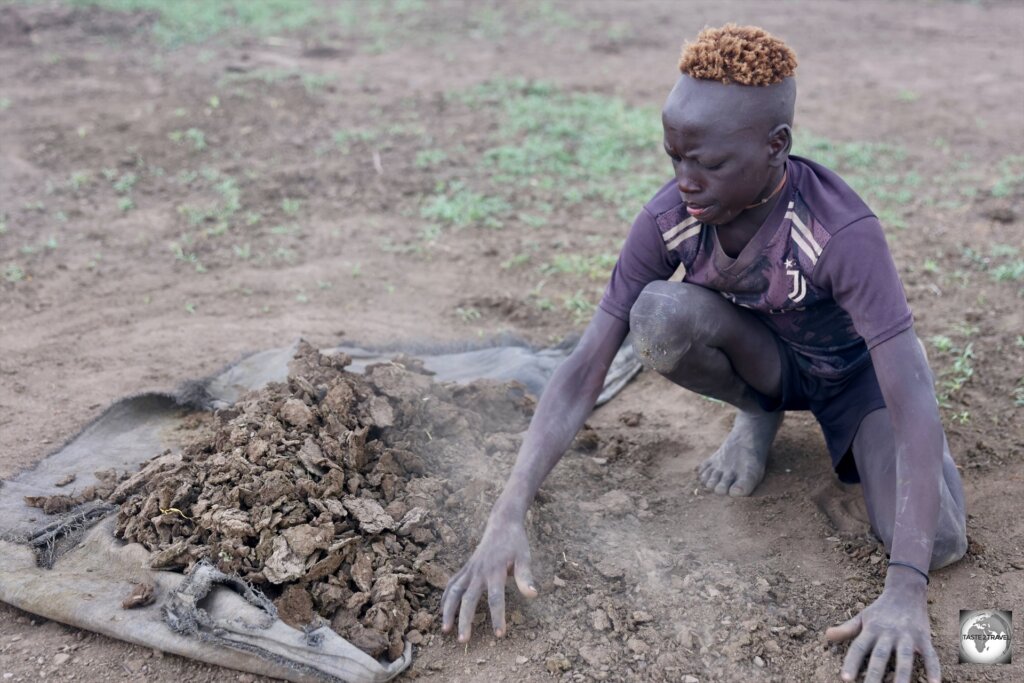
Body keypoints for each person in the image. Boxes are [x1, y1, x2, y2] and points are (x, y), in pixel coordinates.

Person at [441, 24, 967, 683]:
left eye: (710, 164)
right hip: (767, 359)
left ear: (777, 146)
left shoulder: (839, 230)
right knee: (659, 313)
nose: (686, 182)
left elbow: (911, 394)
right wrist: (506, 511)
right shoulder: (673, 218)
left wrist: (905, 588)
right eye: (675, 159)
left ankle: (895, 460)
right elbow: (584, 367)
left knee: (940, 540)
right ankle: (759, 413)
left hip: (859, 379)